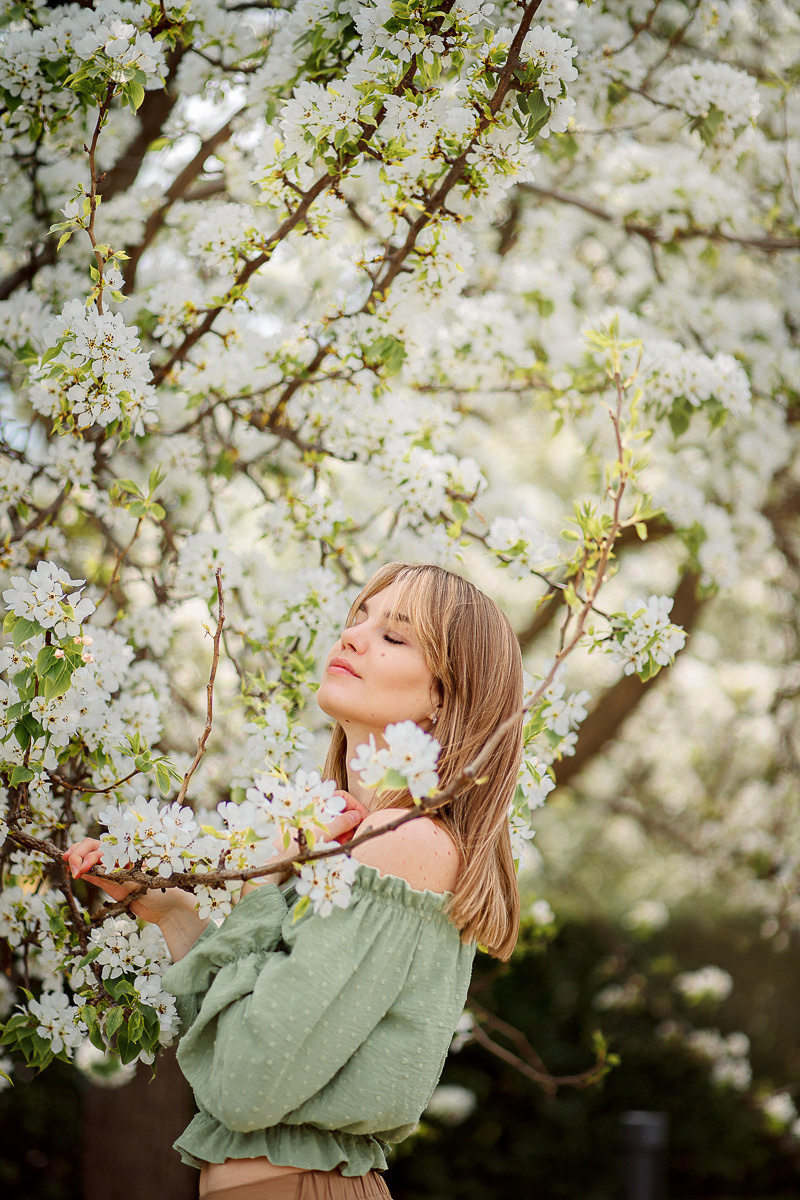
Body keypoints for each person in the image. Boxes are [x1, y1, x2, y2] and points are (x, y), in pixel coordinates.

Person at [64, 562, 524, 1200]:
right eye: (356, 619)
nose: (354, 638)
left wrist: (262, 884)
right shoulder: (349, 845)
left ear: (445, 696)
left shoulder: (402, 843)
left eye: (394, 636)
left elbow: (245, 1088)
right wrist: (176, 916)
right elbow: (239, 1046)